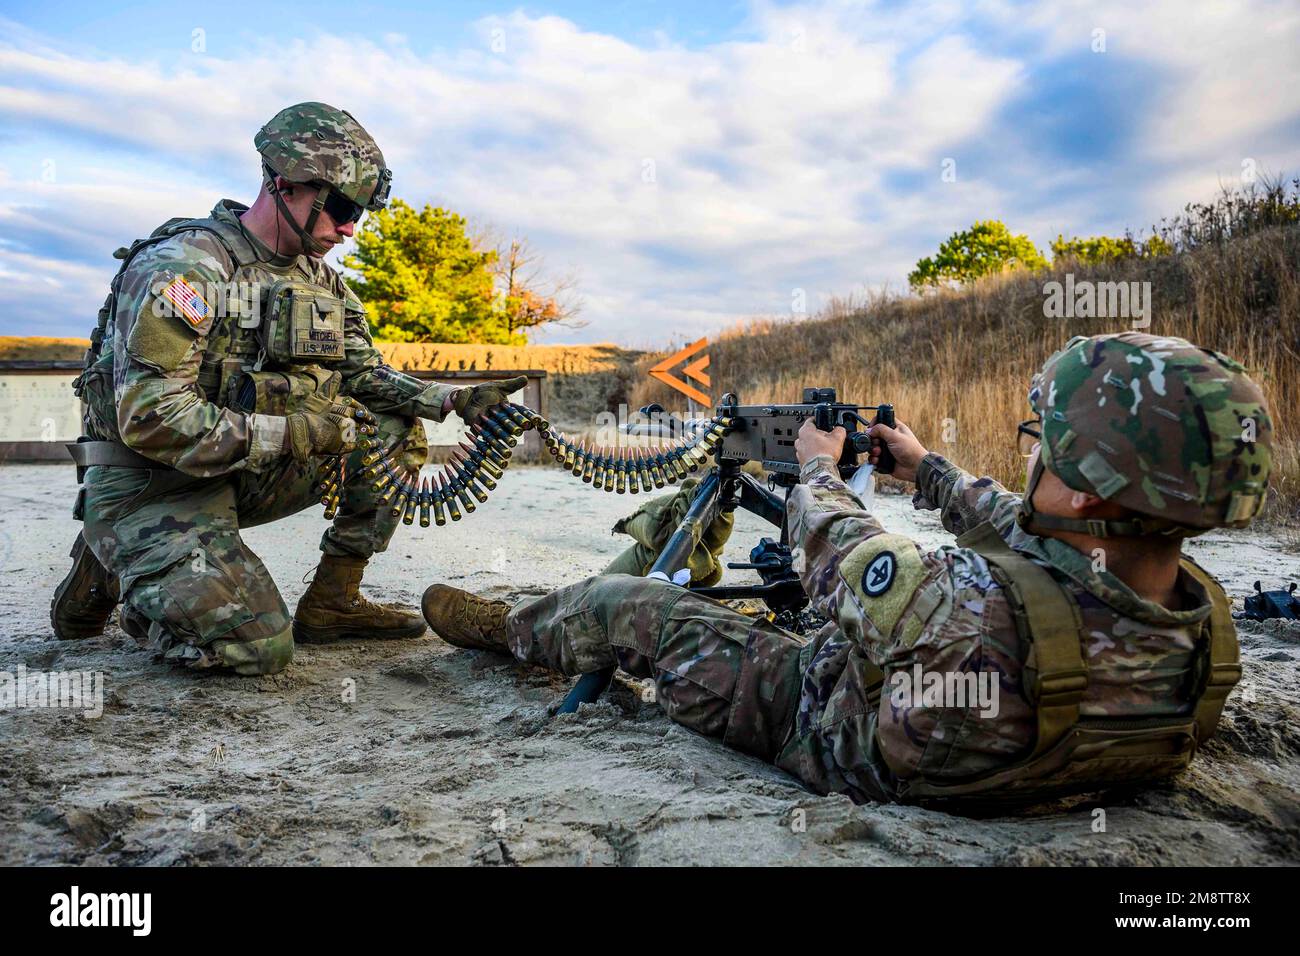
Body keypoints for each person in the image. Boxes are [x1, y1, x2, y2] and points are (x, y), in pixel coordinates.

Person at [421, 332, 1272, 804]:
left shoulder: (959, 609)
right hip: (1018, 752)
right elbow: (1029, 530)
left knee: (630, 604)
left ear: (1088, 495)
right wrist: (924, 468)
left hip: (835, 731)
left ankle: (520, 634)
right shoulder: (1199, 621)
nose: (1031, 461)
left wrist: (819, 470)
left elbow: (841, 554)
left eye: (1044, 449)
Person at [50, 101, 524, 675]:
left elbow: (362, 373)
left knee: (394, 427)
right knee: (255, 648)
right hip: (154, 484)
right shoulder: (187, 268)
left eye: (359, 214)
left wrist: (451, 400)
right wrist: (301, 431)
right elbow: (150, 417)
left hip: (241, 471)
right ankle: (124, 570)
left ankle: (333, 603)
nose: (349, 229)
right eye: (342, 208)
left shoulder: (321, 280)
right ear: (284, 186)